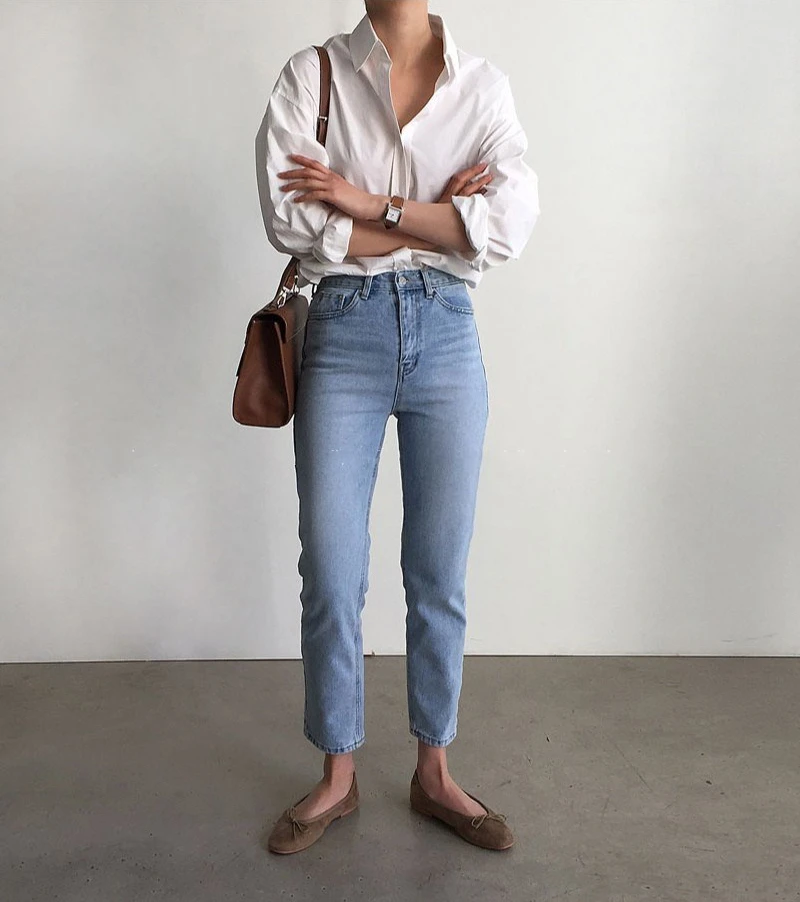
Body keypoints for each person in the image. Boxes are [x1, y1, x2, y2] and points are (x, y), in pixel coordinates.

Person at [259, 0, 539, 854]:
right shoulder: (312, 76)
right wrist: (430, 218)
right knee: (332, 565)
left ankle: (434, 773)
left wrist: (363, 205)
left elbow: (505, 228)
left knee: (439, 570)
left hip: (447, 335)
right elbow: (290, 222)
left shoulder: (483, 88)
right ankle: (337, 775)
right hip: (342, 332)